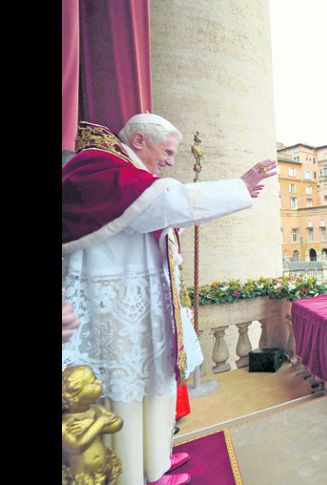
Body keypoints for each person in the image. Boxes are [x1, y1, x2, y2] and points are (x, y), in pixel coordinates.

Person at [62, 114, 277, 485]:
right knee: (127, 391)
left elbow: (164, 210)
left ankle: (155, 461)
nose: (169, 161)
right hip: (116, 314)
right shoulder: (102, 169)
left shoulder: (129, 175)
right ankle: (131, 475)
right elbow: (169, 202)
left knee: (154, 384)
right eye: (167, 152)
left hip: (143, 308)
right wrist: (238, 187)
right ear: (140, 140)